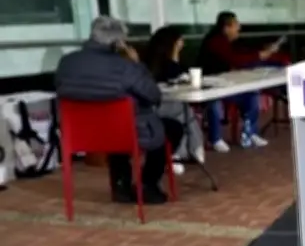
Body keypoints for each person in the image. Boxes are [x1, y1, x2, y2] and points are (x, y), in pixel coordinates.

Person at [55, 16, 183, 204]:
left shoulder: (66, 62)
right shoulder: (126, 67)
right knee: (171, 128)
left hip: (80, 134)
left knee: (114, 122)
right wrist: (137, 64)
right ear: (118, 42)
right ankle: (147, 184)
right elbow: (153, 95)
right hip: (122, 131)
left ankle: (121, 185)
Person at [196, 11, 279, 150]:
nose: (239, 28)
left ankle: (250, 133)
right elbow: (235, 59)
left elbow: (242, 52)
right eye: (236, 25)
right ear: (226, 28)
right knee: (214, 101)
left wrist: (261, 52)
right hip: (210, 86)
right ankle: (215, 138)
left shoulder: (229, 42)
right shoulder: (215, 41)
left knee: (251, 94)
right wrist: (260, 55)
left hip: (226, 85)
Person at [141, 25, 205, 169]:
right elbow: (173, 73)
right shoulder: (162, 63)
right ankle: (189, 150)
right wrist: (175, 55)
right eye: (180, 41)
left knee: (183, 112)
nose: (183, 43)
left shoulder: (152, 60)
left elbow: (181, 72)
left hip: (160, 103)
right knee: (184, 111)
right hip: (155, 106)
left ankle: (185, 151)